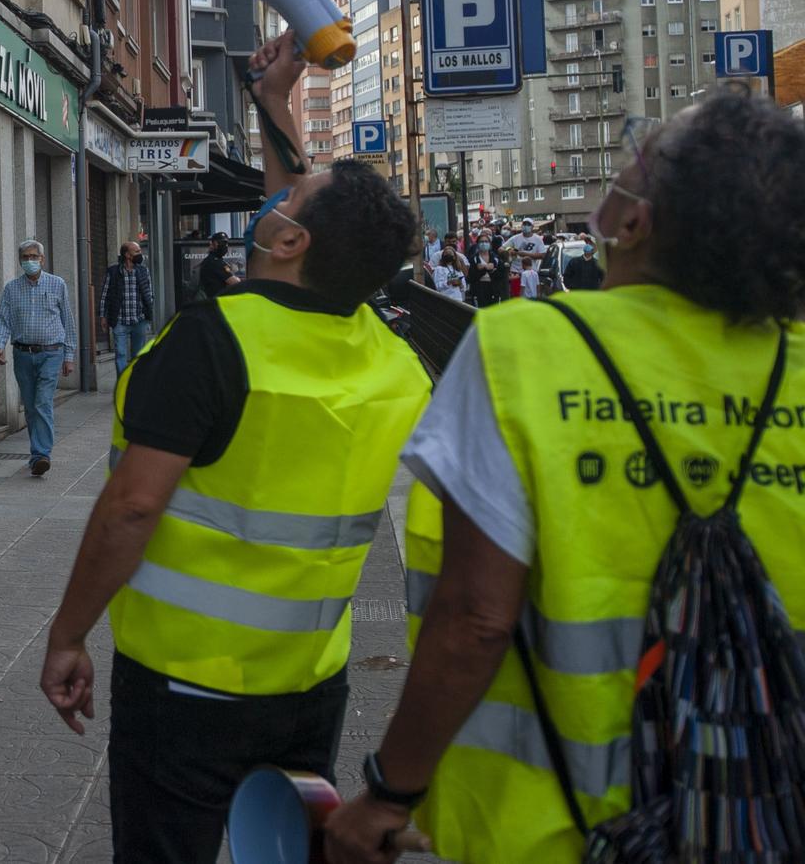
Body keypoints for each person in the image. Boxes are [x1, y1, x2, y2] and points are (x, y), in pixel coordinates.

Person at [324, 91, 805, 864]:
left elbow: (475, 619)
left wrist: (388, 791)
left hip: (552, 830)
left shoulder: (526, 348)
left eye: (626, 165)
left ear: (633, 220)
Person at [39, 32, 433, 864]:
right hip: (308, 687)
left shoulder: (211, 341)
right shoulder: (392, 361)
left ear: (289, 242)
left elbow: (135, 503)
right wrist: (273, 103)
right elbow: (311, 223)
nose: (275, 203)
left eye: (288, 206)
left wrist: (69, 631)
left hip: (184, 687)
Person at [0, 239, 77, 476]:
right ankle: (36, 454)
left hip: (51, 352)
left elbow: (67, 321)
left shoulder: (57, 284)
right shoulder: (11, 288)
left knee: (42, 402)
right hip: (22, 353)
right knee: (30, 406)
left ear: (42, 259)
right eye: (25, 257)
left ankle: (42, 454)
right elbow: (2, 317)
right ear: (20, 261)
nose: (30, 261)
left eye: (34, 257)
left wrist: (69, 356)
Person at [100, 239, 156, 384]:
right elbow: (105, 295)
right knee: (121, 355)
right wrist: (103, 316)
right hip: (120, 321)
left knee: (138, 356)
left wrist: (149, 313)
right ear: (127, 255)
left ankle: (135, 385)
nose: (140, 254)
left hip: (139, 320)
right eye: (136, 251)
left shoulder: (143, 271)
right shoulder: (113, 272)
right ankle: (123, 386)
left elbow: (149, 293)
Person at [504, 221, 546, 299]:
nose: (526, 226)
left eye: (528, 224)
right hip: (515, 272)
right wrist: (509, 250)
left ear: (532, 227)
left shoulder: (537, 239)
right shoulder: (515, 238)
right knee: (515, 296)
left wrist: (525, 254)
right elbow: (501, 249)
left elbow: (543, 255)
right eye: (524, 224)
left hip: (531, 271)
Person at [198, 231, 240, 301]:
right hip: (216, 303)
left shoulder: (211, 260)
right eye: (219, 243)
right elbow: (235, 283)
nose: (224, 246)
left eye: (226, 243)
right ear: (212, 244)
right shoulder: (215, 262)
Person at [467, 236, 503, 307]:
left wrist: (491, 270)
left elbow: (501, 275)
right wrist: (484, 269)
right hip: (479, 289)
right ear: (477, 244)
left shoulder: (496, 258)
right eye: (481, 242)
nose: (484, 243)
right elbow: (471, 277)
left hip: (493, 289)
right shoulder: (473, 259)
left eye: (486, 241)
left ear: (490, 244)